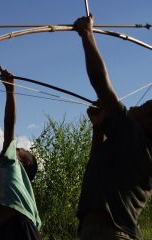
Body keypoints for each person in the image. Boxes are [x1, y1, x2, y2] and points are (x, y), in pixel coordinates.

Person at [74, 16, 152, 240]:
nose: (136, 106)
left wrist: (87, 34)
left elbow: (100, 81)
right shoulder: (133, 143)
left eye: (144, 106)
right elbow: (96, 167)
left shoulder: (135, 136)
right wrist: (98, 129)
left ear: (148, 122)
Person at [0, 66, 41, 240]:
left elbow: (9, 125)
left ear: (26, 163)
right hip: (9, 230)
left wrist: (10, 90)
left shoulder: (11, 162)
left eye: (22, 150)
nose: (18, 148)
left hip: (20, 226)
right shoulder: (5, 164)